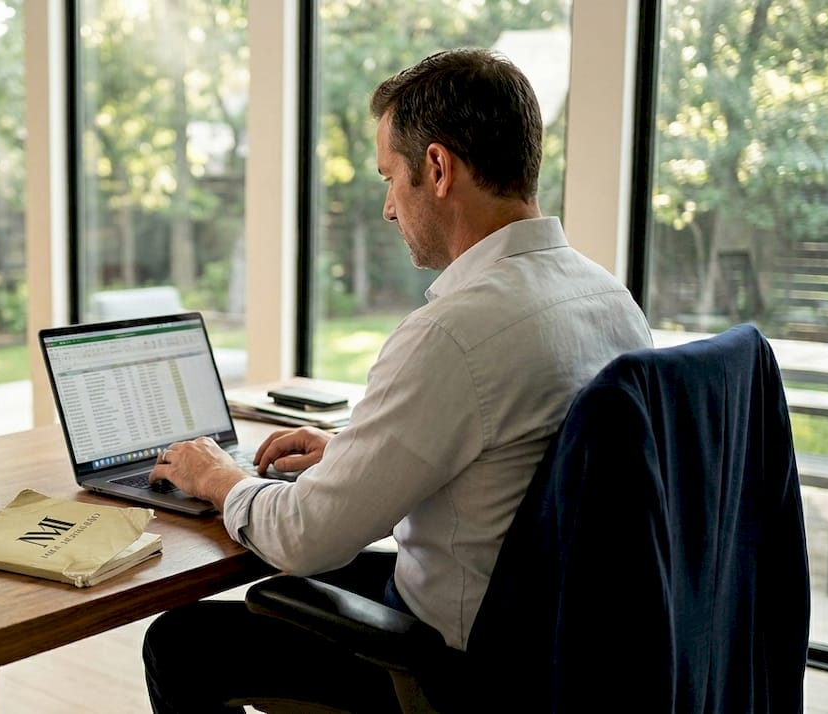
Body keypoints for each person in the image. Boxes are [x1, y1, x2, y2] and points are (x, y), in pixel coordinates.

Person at [141, 47, 652, 712]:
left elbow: (303, 537)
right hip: (558, 642)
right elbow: (518, 460)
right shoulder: (606, 296)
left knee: (183, 642)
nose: (387, 208)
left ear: (436, 168)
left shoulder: (456, 331)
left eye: (390, 178)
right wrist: (358, 454)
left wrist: (216, 476)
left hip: (462, 666)